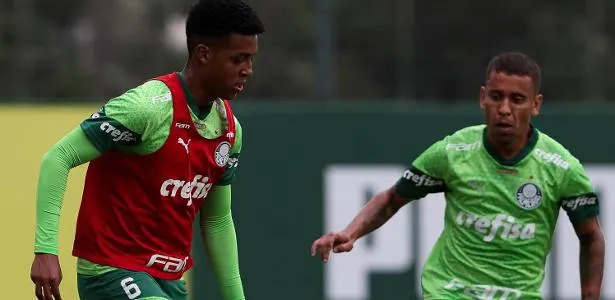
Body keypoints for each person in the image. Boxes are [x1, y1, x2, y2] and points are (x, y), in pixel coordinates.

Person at [310, 52, 605, 299]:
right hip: (449, 291)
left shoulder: (561, 167)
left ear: (536, 105)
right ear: (482, 98)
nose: (504, 109)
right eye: (496, 97)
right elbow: (391, 199)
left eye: (517, 99)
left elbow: (591, 237)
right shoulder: (452, 152)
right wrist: (350, 232)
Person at [30, 0, 265, 299]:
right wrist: (46, 250)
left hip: (169, 279)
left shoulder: (230, 130)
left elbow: (217, 220)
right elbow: (58, 158)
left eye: (251, 59)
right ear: (204, 54)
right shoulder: (147, 107)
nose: (248, 70)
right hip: (110, 271)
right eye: (238, 59)